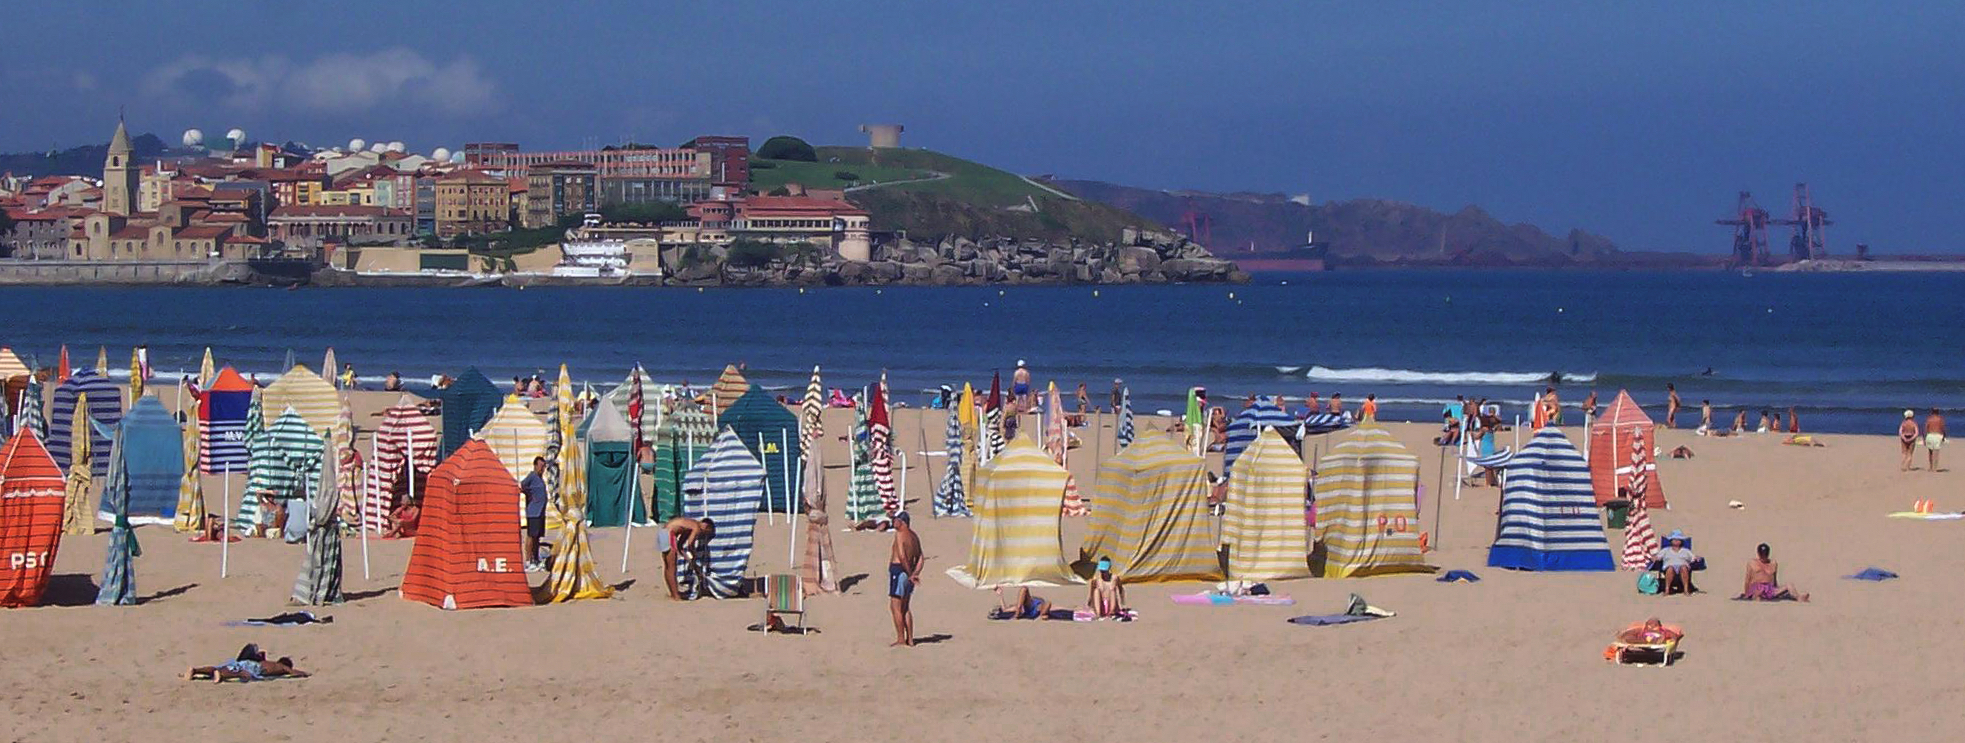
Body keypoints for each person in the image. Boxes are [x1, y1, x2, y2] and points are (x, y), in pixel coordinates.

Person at [185, 644, 309, 683]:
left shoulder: (267, 661)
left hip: (248, 662)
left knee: (227, 667)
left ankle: (195, 670)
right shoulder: (282, 667)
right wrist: (304, 673)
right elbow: (293, 672)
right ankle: (221, 675)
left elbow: (260, 653)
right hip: (254, 667)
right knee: (242, 674)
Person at [889, 512, 923, 647]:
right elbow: (921, 557)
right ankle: (910, 639)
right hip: (908, 572)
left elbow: (902, 557)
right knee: (905, 607)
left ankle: (901, 639)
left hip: (899, 571)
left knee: (895, 607)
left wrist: (910, 574)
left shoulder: (900, 535)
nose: (893, 522)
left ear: (903, 522)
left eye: (896, 520)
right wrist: (916, 572)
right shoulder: (914, 536)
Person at [661, 516, 715, 600]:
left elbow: (680, 545)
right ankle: (675, 595)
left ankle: (673, 593)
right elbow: (690, 543)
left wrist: (685, 556)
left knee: (668, 565)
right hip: (668, 533)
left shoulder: (689, 525)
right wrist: (694, 555)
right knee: (671, 566)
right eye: (706, 533)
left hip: (663, 532)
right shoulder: (696, 526)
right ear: (706, 527)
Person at [1740, 543, 1808, 601]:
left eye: (1765, 553)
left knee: (1789, 585)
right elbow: (1747, 579)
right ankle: (1757, 598)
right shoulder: (1752, 563)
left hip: (1770, 588)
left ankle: (1798, 597)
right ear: (1758, 553)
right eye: (1762, 553)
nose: (1764, 555)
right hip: (1757, 587)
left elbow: (1774, 579)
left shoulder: (1773, 563)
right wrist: (1746, 593)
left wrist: (1777, 590)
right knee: (1759, 593)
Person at [520, 457, 549, 572]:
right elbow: (522, 486)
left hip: (541, 513)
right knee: (531, 536)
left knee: (537, 537)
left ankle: (535, 559)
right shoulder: (531, 477)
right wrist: (529, 496)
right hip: (533, 512)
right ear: (535, 466)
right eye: (541, 466)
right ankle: (528, 561)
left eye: (544, 467)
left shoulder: (540, 478)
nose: (542, 469)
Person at [1657, 530, 1697, 595]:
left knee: (1683, 567)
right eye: (1674, 539)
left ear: (1681, 541)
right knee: (1670, 568)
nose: (1676, 540)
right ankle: (1667, 590)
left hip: (1683, 568)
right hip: (1669, 568)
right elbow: (1658, 557)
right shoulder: (1665, 550)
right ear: (1671, 540)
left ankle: (1686, 590)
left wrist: (1696, 558)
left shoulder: (1686, 551)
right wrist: (1654, 558)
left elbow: (1693, 558)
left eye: (1678, 539)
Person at [1926, 408, 1947, 472]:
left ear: (1932, 412)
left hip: (1930, 435)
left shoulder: (1929, 419)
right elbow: (1943, 428)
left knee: (1930, 452)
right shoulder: (1940, 419)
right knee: (1936, 453)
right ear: (1938, 412)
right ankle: (1935, 468)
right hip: (1937, 435)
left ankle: (1931, 467)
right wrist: (1944, 436)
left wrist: (1924, 437)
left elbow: (1926, 427)